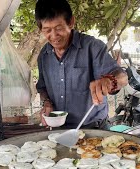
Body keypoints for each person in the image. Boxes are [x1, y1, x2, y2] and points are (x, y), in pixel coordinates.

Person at [35, 0, 128, 129]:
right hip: (59, 130)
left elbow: (122, 76)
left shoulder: (92, 47)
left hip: (94, 129)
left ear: (71, 22)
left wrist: (110, 80)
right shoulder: (44, 56)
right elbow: (42, 87)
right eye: (47, 30)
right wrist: (46, 103)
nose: (54, 35)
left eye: (59, 28)